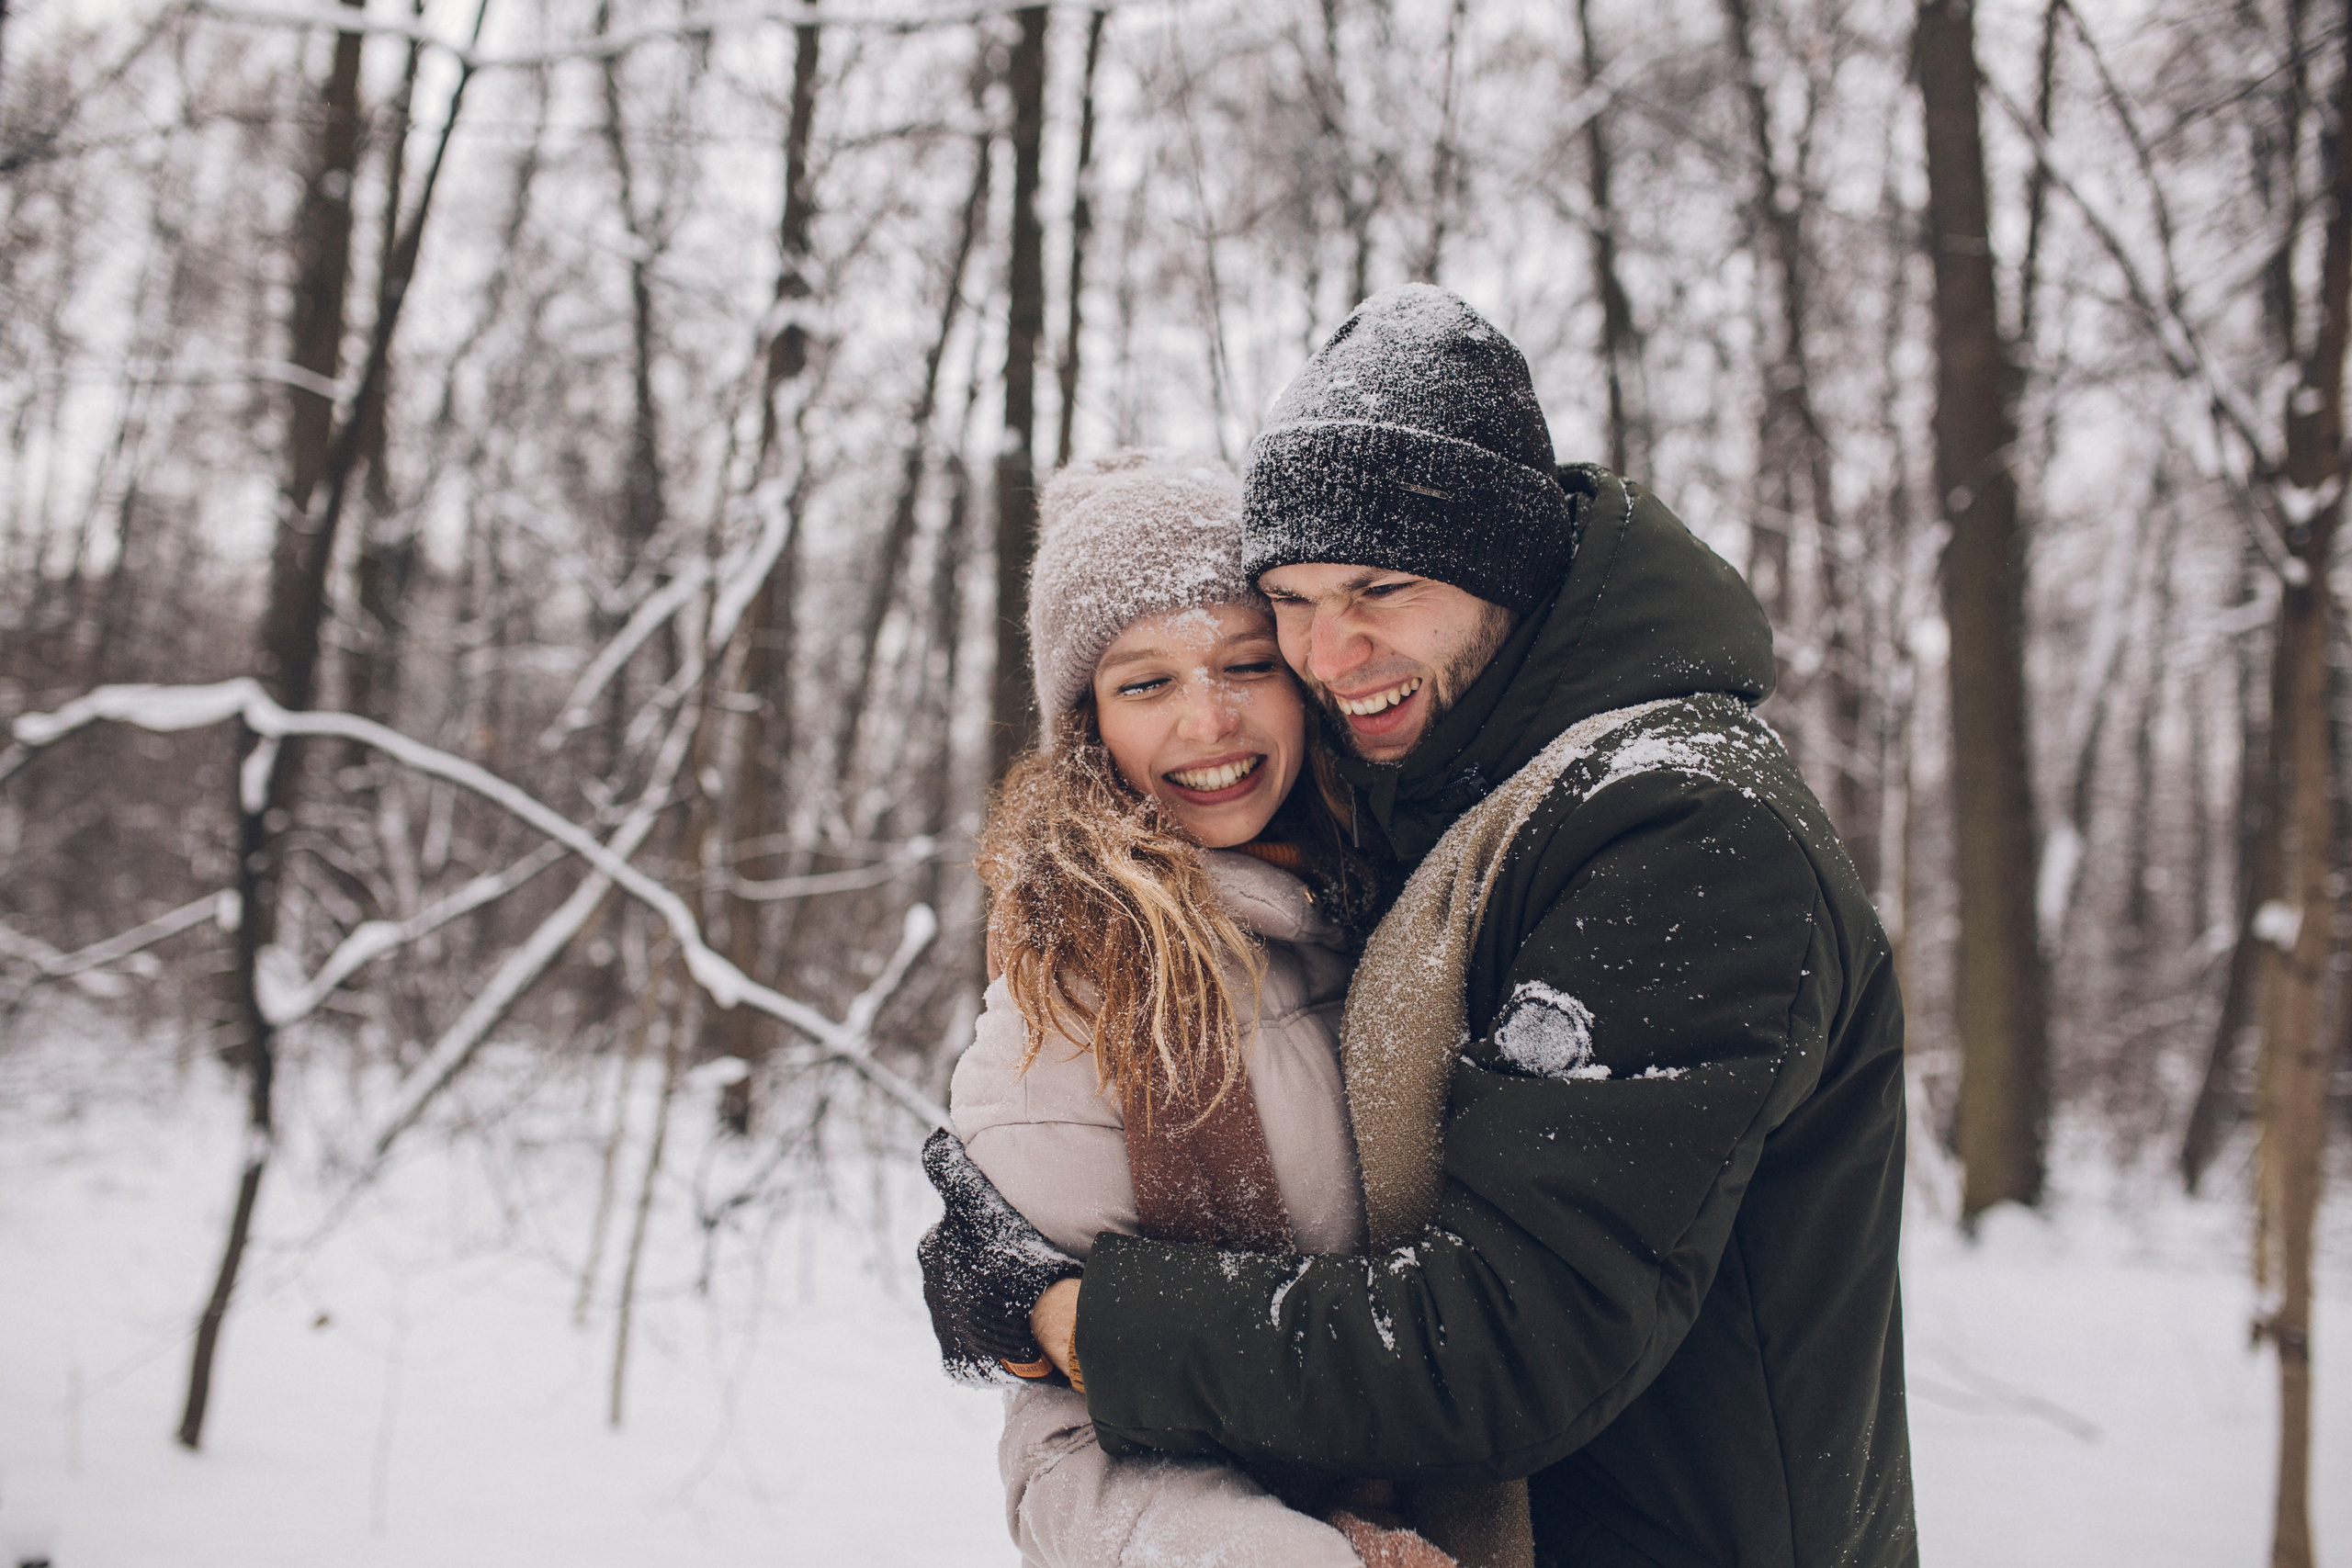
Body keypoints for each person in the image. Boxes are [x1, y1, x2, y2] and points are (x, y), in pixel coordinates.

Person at [922, 286, 1917, 1568]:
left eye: (1379, 587)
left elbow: (1502, 1341)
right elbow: (1071, 1458)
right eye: (1292, 599)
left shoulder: (1671, 825)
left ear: (1502, 562)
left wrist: (1072, 1315)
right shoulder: (1421, 826)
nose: (1329, 652)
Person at [946, 450, 1495, 1567]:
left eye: (1245, 663)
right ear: (1086, 727)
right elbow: (1065, 1456)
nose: (1208, 720)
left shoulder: (1415, 900)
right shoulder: (1074, 1004)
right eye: (1144, 684)